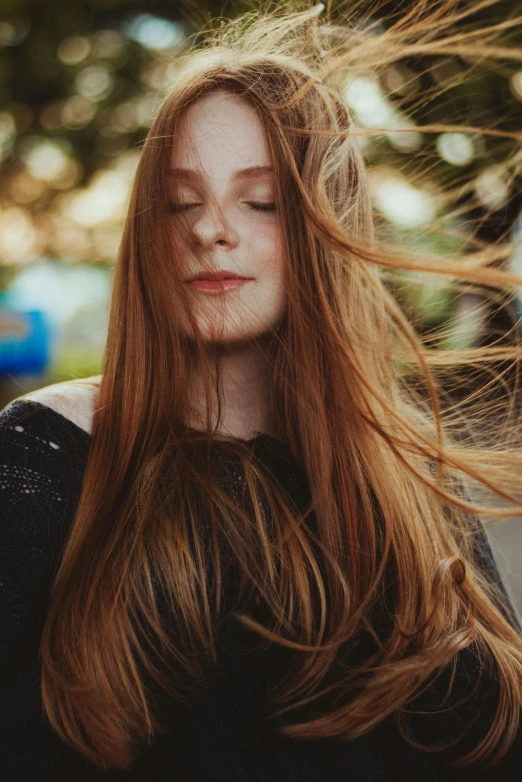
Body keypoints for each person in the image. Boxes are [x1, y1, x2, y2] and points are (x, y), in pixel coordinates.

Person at [2, 3, 522, 780]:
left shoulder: (409, 472)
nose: (211, 229)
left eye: (261, 201)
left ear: (323, 226)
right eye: (181, 200)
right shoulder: (46, 455)